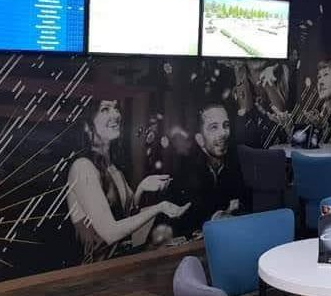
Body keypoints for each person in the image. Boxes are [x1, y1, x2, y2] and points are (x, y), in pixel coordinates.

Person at [67, 99, 191, 263]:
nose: (115, 115)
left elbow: (126, 219)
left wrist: (142, 188)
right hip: (97, 271)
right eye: (105, 109)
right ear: (86, 125)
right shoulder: (82, 167)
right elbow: (110, 233)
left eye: (116, 108)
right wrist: (159, 208)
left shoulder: (113, 168)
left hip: (120, 262)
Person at [171, 103, 246, 238]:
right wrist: (221, 216)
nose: (223, 133)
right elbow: (187, 223)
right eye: (214, 127)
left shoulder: (236, 162)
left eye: (226, 125)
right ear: (200, 139)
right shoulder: (186, 174)